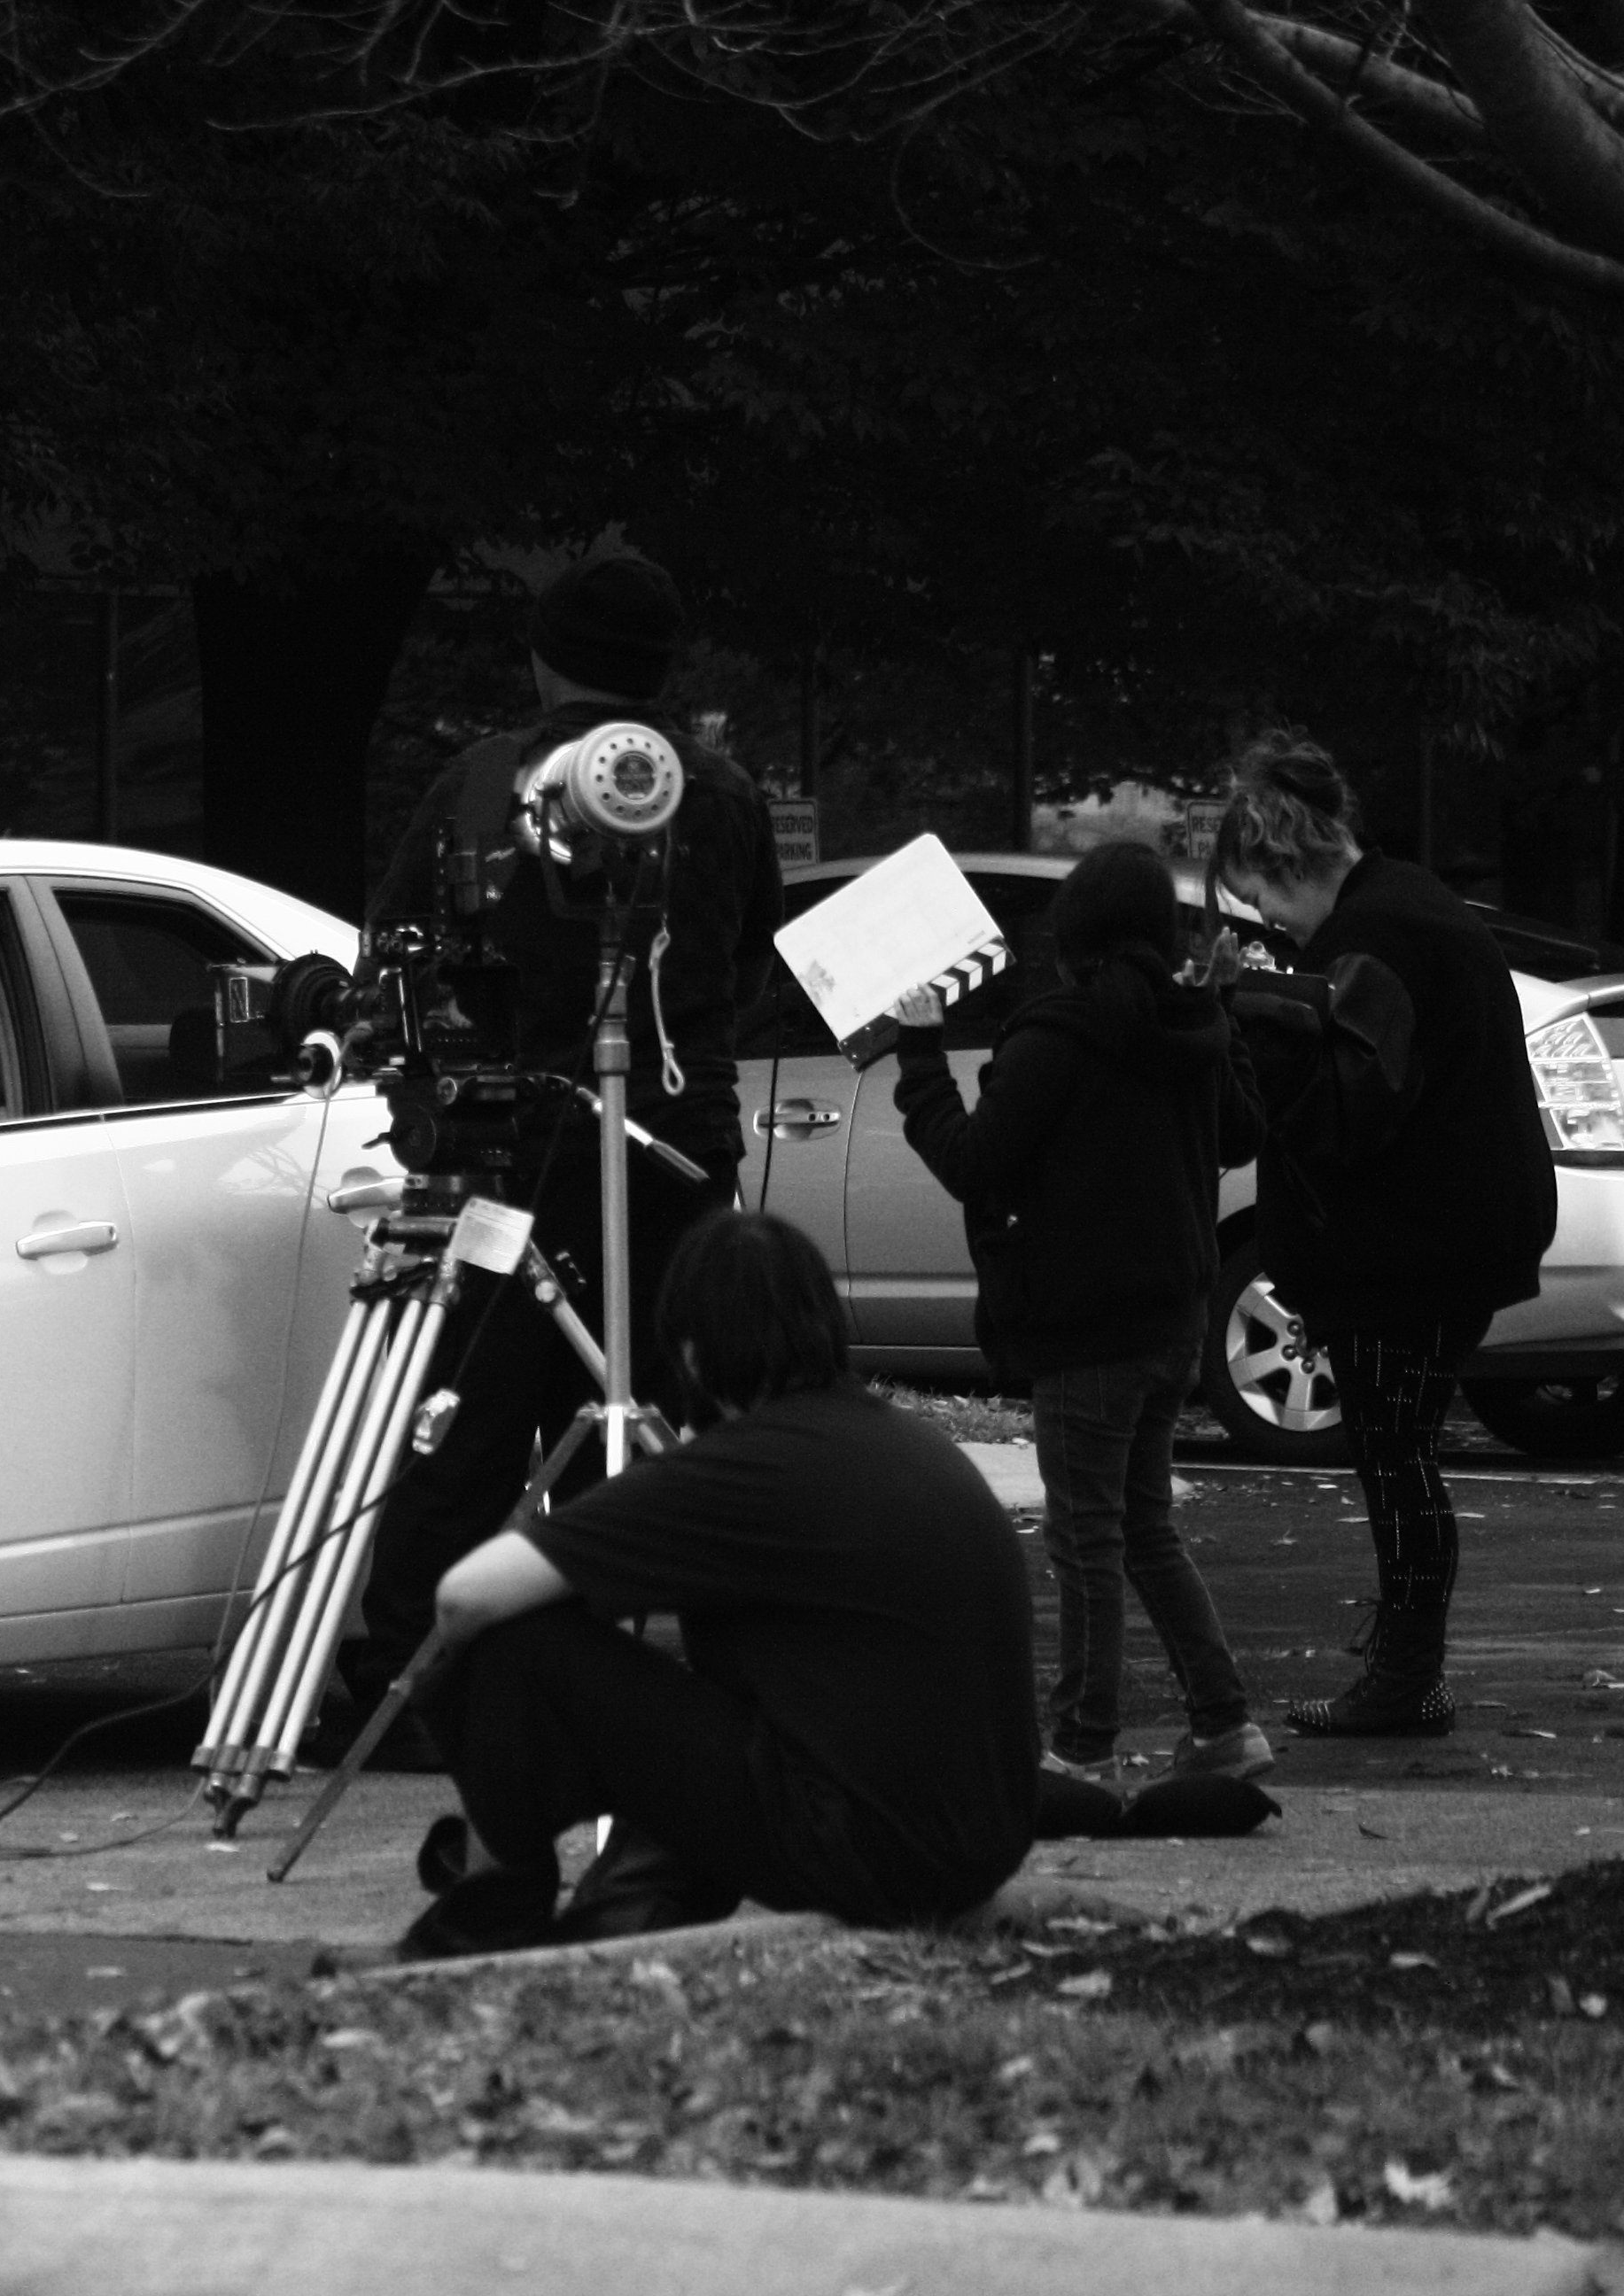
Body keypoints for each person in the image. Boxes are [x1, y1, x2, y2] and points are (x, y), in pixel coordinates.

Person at [354, 551, 783, 1715]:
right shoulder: (722, 790)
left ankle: (412, 1683)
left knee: (469, 1426)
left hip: (505, 1158)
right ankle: (710, 1677)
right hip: (676, 1158)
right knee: (687, 1429)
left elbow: (398, 958)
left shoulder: (483, 782)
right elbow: (744, 967)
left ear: (542, 663)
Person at [400, 1210, 1037, 1959]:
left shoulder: (750, 1466)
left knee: (515, 1645)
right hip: (975, 1843)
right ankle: (608, 1938)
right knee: (708, 1714)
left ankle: (486, 1926)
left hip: (870, 1853)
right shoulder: (898, 1440)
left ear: (694, 1352)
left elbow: (465, 1595)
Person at [888, 841, 1270, 1787]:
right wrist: (1222, 1007)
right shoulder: (1194, 1029)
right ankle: (1223, 1723)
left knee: (1087, 1538)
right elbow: (1241, 1135)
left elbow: (976, 1164)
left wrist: (923, 1058)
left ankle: (1084, 1745)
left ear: (1072, 936)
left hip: (1081, 1323)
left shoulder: (1055, 1036)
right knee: (1141, 1529)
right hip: (1171, 1319)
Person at [1209, 733, 1555, 1736]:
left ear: (1287, 864)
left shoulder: (1377, 942)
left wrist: (1255, 1014)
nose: (1265, 921)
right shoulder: (1403, 906)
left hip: (1413, 1252)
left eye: (1261, 896)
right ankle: (1409, 1672)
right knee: (1401, 1456)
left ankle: (1405, 1680)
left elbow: (1344, 1117)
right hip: (1449, 1240)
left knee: (1396, 1459)